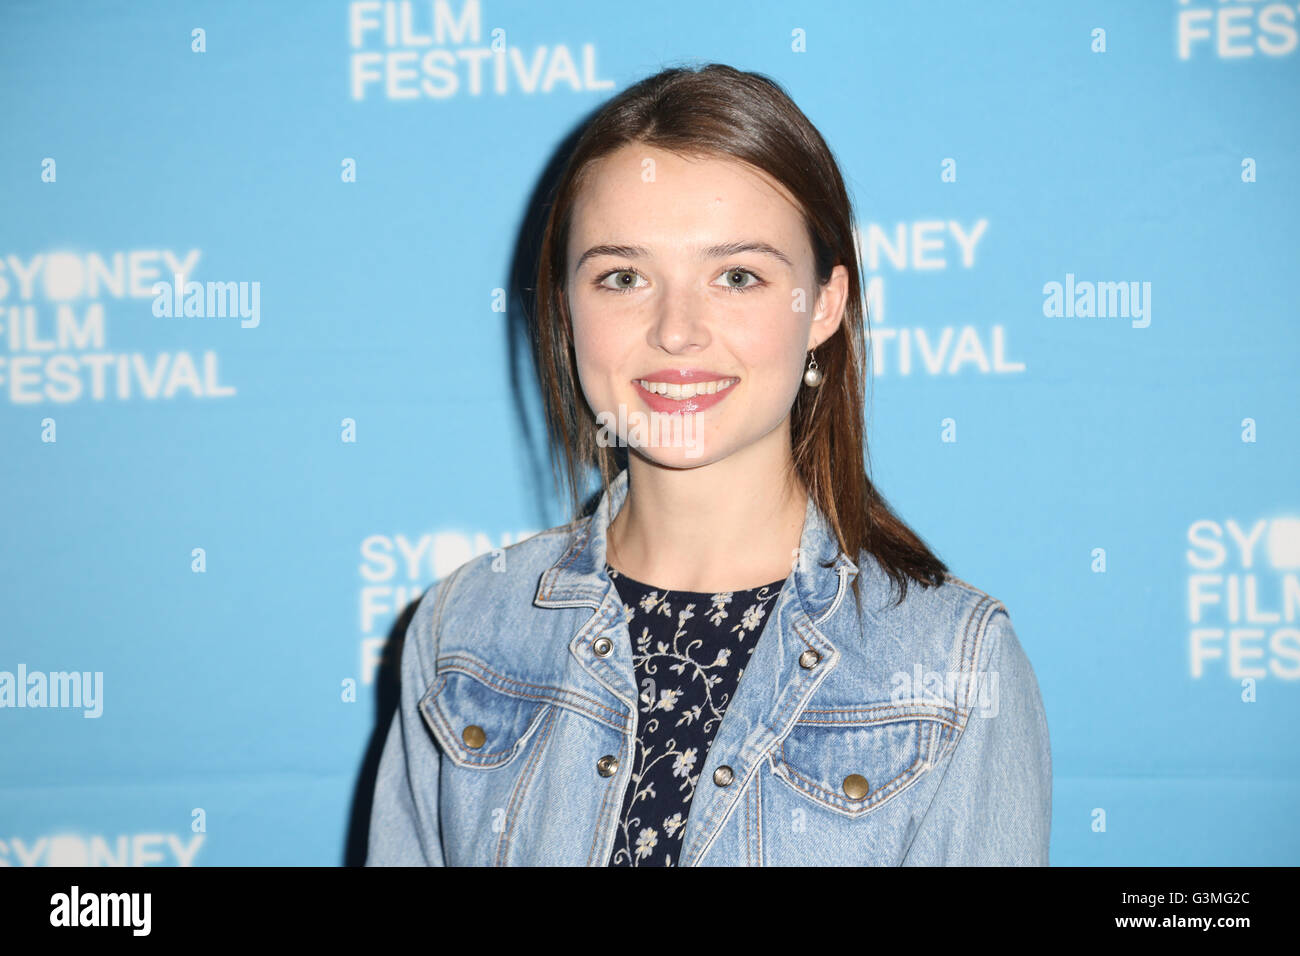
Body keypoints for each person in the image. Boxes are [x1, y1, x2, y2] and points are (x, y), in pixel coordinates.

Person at [367, 62, 1051, 867]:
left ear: (825, 305)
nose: (677, 330)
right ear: (565, 308)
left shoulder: (951, 664)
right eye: (623, 277)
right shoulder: (464, 629)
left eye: (737, 276)